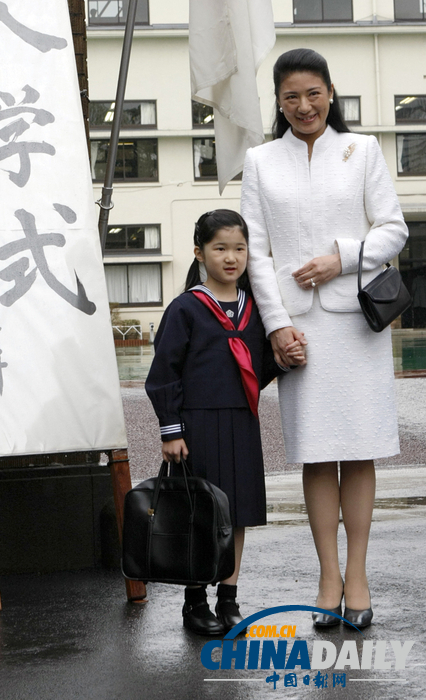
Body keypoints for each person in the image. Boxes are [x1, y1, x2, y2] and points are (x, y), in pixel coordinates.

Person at [240, 48, 408, 630]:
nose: (303, 106)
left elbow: (393, 229)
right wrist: (275, 324)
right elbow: (256, 253)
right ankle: (327, 578)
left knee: (358, 449)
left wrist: (343, 257)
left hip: (356, 323)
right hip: (299, 329)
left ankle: (357, 574)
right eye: (291, 96)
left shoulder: (362, 150)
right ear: (279, 102)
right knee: (316, 452)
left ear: (330, 93)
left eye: (313, 93)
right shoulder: (261, 161)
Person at [145, 209, 305, 635]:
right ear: (199, 253)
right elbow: (163, 373)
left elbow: (254, 371)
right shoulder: (186, 308)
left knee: (237, 513)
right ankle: (195, 601)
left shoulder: (255, 309)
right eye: (220, 248)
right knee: (200, 514)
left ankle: (229, 599)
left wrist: (284, 361)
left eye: (239, 248)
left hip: (241, 423)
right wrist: (171, 429)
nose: (231, 258)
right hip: (196, 427)